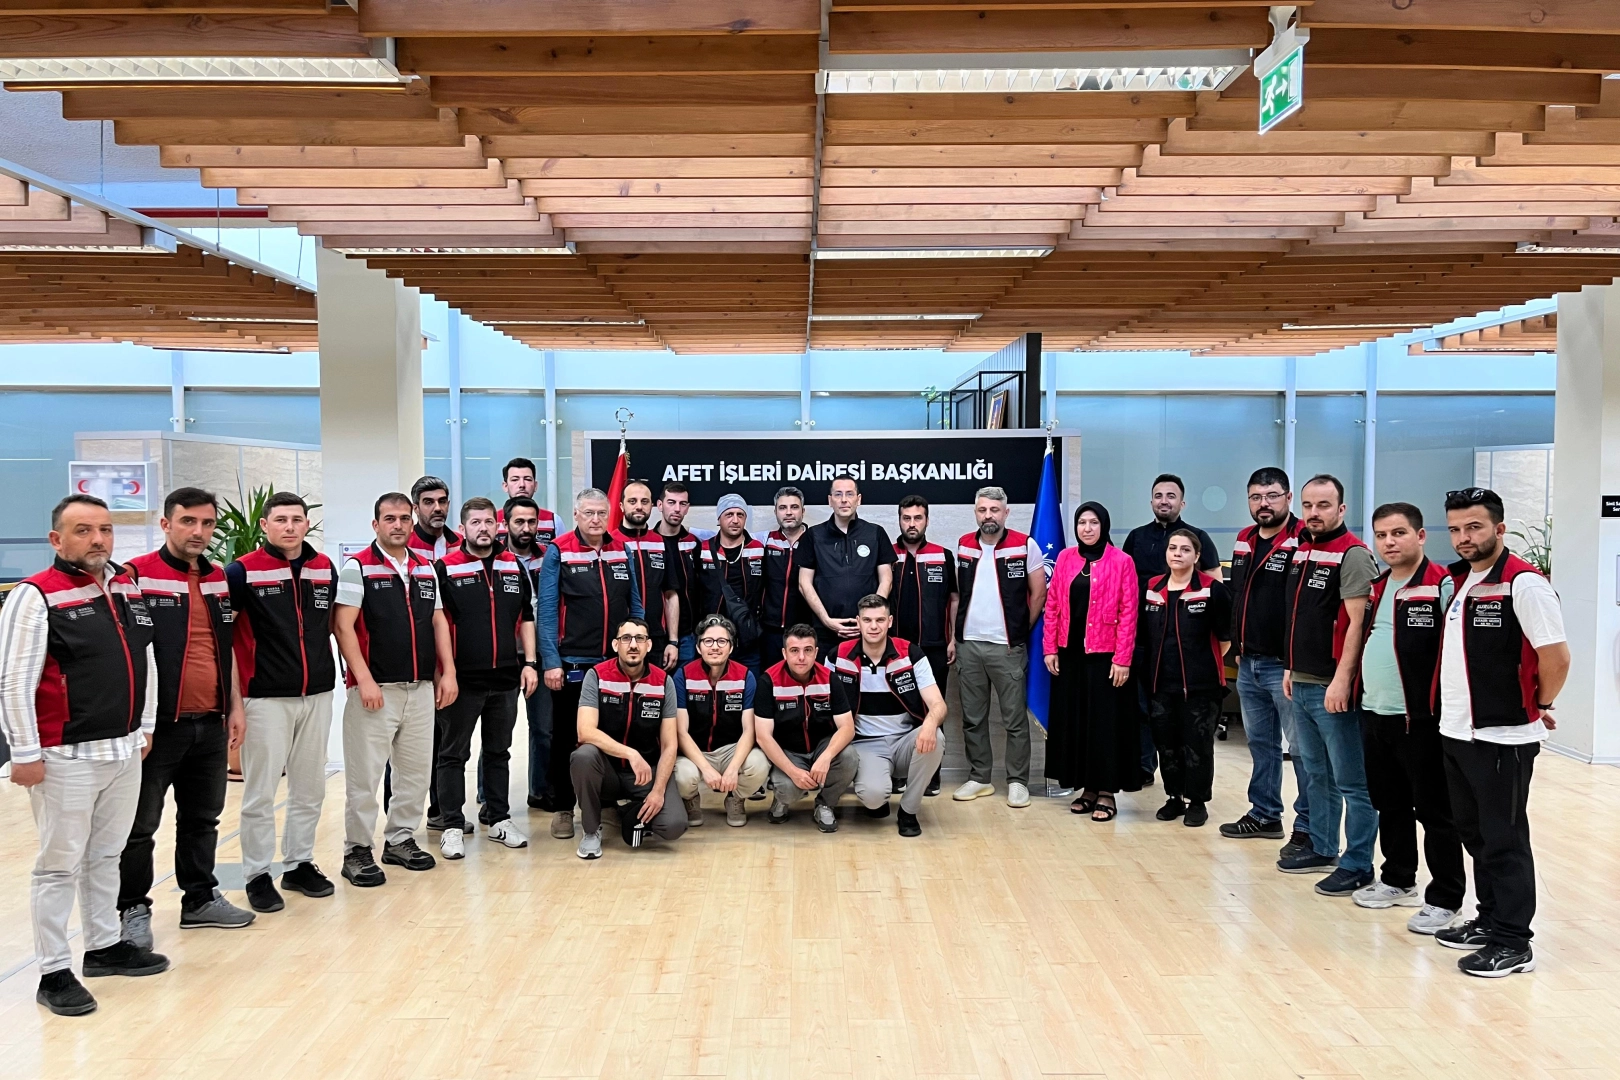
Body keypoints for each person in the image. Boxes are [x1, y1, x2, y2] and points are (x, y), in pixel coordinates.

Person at [1, 495, 167, 1017]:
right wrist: (24, 752)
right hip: (64, 756)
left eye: (105, 529)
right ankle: (53, 971)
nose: (98, 539)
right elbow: (13, 681)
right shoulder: (34, 595)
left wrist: (145, 726)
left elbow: (145, 660)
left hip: (123, 749)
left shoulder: (126, 586)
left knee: (106, 855)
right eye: (83, 530)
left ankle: (104, 947)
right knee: (58, 866)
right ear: (57, 539)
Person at [1432, 487, 1568, 977]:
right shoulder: (1462, 580)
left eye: (1474, 527)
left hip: (1503, 736)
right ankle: (1489, 919)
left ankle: (1513, 942)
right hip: (1457, 730)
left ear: (1500, 528)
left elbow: (1556, 657)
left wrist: (1539, 703)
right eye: (1456, 529)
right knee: (1475, 834)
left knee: (1504, 838)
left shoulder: (1524, 584)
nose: (1464, 538)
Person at [118, 487, 254, 950]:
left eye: (207, 523)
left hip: (211, 722)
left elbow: (225, 649)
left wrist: (235, 706)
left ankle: (199, 899)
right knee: (140, 827)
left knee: (202, 819)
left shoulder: (217, 578)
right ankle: (132, 909)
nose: (199, 531)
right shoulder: (136, 576)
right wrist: (138, 723)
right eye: (188, 521)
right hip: (157, 729)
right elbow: (127, 655)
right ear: (166, 524)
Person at [332, 493, 458, 887]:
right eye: (390, 518)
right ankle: (356, 849)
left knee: (415, 775)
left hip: (420, 688)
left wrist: (448, 672)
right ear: (376, 525)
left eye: (405, 518)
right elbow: (342, 627)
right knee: (365, 778)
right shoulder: (357, 568)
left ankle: (400, 839)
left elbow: (438, 621)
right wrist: (364, 679)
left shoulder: (425, 567)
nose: (399, 525)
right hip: (376, 690)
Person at [1353, 502, 1464, 935]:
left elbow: (1457, 650)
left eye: (1398, 533)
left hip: (1420, 719)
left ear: (1420, 536)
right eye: (1381, 535)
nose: (1389, 542)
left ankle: (1446, 898)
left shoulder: (1442, 585)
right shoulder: (1378, 586)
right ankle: (1398, 879)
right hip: (1375, 712)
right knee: (1389, 802)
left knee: (1435, 812)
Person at [226, 492, 337, 914]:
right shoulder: (241, 572)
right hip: (264, 698)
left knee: (309, 788)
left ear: (307, 523)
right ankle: (257, 874)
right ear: (265, 525)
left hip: (317, 694)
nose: (289, 527)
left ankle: (298, 864)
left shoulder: (324, 568)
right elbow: (225, 641)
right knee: (260, 792)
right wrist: (235, 704)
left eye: (296, 519)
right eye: (280, 520)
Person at [1280, 474, 1379, 898]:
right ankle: (1322, 847)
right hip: (1301, 681)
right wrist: (1290, 667)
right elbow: (1299, 616)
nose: (1314, 513)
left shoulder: (1353, 554)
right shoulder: (1303, 548)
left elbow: (1359, 624)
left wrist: (1343, 680)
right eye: (1308, 505)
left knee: (1351, 780)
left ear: (1341, 509)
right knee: (1316, 772)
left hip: (1333, 688)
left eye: (1323, 505)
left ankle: (1358, 864)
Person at [429, 497, 537, 858]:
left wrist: (530, 663)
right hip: (461, 680)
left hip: (505, 678)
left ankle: (499, 819)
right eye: (475, 523)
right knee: (452, 754)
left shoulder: (512, 565)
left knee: (498, 752)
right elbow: (436, 622)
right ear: (463, 529)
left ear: (498, 525)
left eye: (489, 522)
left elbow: (526, 617)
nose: (483, 528)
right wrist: (446, 673)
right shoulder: (445, 568)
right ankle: (451, 825)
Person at [539, 487, 643, 840]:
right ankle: (563, 808)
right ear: (577, 514)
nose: (596, 520)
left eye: (601, 513)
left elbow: (635, 605)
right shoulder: (559, 550)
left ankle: (605, 803)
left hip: (614, 663)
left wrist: (637, 644)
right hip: (573, 662)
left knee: (611, 735)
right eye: (589, 513)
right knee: (566, 738)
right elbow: (547, 611)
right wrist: (551, 661)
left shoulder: (621, 549)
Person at [1219, 467, 1313, 854]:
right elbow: (1238, 595)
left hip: (1285, 665)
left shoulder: (1303, 539)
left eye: (1272, 496)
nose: (1264, 504)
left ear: (1288, 498)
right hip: (1249, 661)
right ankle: (1265, 814)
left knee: (1302, 750)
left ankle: (1309, 826)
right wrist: (1236, 645)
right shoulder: (1244, 539)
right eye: (1256, 497)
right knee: (1261, 744)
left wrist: (1294, 658)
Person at [1042, 503, 1142, 822]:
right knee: (1078, 723)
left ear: (1104, 526)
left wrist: (1123, 658)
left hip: (1107, 657)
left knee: (1104, 726)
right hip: (1070, 655)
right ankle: (1087, 788)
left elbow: (1129, 612)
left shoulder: (1122, 561)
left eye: (1094, 522)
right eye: (1082, 522)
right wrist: (1049, 648)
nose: (1087, 528)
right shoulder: (1065, 558)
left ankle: (1107, 791)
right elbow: (1053, 605)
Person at [1121, 474, 1222, 787]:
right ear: (1151, 501)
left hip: (1186, 644)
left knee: (1188, 722)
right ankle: (1144, 766)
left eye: (1171, 496)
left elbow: (1215, 587)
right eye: (1158, 495)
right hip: (1142, 637)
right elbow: (1125, 584)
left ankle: (1192, 788)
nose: (1164, 501)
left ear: (1182, 502)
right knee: (1144, 708)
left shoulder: (1198, 537)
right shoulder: (1136, 537)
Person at [953, 486, 1045, 808]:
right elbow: (959, 595)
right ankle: (980, 778)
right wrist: (955, 638)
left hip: (1007, 649)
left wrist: (1018, 630)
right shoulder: (964, 544)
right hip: (969, 646)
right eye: (982, 510)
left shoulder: (1025, 545)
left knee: (1014, 720)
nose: (988, 516)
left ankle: (1018, 782)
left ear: (1006, 513)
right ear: (975, 513)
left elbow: (1039, 594)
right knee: (973, 719)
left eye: (994, 510)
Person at [569, 616, 688, 859]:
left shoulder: (663, 682)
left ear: (649, 645)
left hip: (645, 774)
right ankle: (591, 830)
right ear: (616, 645)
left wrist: (658, 791)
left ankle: (627, 811)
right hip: (607, 771)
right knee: (583, 756)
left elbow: (669, 745)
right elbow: (585, 731)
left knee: (673, 825)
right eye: (626, 638)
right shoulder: (597, 675)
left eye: (639, 639)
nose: (633, 645)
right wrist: (629, 753)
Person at [832, 594, 947, 837]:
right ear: (858, 622)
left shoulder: (911, 653)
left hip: (905, 740)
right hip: (865, 743)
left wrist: (929, 724)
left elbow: (938, 704)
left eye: (880, 620)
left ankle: (908, 810)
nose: (873, 626)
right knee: (873, 797)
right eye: (867, 620)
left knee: (936, 736)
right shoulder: (838, 656)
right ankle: (879, 794)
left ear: (890, 621)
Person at [1137, 529, 1231, 828]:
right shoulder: (1152, 588)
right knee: (1166, 744)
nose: (1177, 553)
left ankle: (1197, 801)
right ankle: (1174, 797)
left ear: (1197, 556)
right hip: (1160, 684)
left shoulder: (1211, 590)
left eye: (1185, 549)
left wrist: (1201, 663)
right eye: (1173, 548)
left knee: (1197, 745)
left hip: (1200, 686)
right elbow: (1143, 635)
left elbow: (1225, 639)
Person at [753, 623, 858, 831]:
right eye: (794, 650)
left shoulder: (829, 678)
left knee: (849, 757)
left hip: (821, 747)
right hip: (788, 750)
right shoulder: (768, 681)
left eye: (807, 650)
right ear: (784, 653)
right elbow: (763, 736)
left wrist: (826, 757)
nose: (801, 657)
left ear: (816, 653)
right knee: (788, 789)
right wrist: (793, 772)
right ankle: (781, 800)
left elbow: (847, 727)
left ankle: (825, 803)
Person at [672, 614, 770, 827]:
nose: (715, 647)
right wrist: (706, 769)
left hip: (730, 750)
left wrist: (733, 768)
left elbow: (749, 730)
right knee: (682, 776)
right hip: (694, 750)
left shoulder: (745, 676)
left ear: (731, 647)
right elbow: (680, 732)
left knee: (759, 764)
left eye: (722, 641)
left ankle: (735, 798)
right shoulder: (683, 676)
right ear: (698, 647)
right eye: (708, 641)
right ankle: (690, 799)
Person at [892, 494, 957, 797]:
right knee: (898, 711)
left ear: (927, 520)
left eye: (917, 518)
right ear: (899, 520)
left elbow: (954, 599)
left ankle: (931, 776)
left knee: (933, 710)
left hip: (934, 647)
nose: (912, 524)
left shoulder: (943, 555)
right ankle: (897, 773)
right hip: (895, 650)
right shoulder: (887, 554)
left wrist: (953, 637)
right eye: (906, 518)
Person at [799, 477, 895, 657]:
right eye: (838, 494)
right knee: (827, 675)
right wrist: (826, 620)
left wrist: (870, 620)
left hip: (868, 634)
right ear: (830, 500)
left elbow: (886, 580)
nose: (844, 500)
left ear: (859, 499)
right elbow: (804, 583)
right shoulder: (813, 535)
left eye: (849, 494)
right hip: (825, 632)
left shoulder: (875, 533)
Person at [502, 495, 553, 809]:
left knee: (544, 728)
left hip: (542, 654)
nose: (526, 528)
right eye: (519, 521)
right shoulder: (496, 559)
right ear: (506, 523)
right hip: (505, 655)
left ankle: (540, 791)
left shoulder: (548, 556)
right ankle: (488, 796)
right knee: (499, 731)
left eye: (532, 522)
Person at [695, 493, 766, 679]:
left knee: (749, 688)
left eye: (740, 515)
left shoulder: (758, 549)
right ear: (719, 518)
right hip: (712, 639)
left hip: (748, 640)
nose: (735, 520)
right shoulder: (703, 549)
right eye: (729, 514)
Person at [614, 480, 680, 671]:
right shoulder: (610, 543)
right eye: (632, 501)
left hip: (656, 639)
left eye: (644, 502)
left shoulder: (660, 542)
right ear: (621, 506)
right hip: (621, 640)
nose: (639, 506)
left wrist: (673, 641)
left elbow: (670, 594)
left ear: (652, 505)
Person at [760, 486, 812, 663]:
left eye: (794, 507)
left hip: (805, 631)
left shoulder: (815, 541)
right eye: (782, 508)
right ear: (775, 512)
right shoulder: (764, 540)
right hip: (770, 630)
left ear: (803, 511)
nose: (788, 512)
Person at [655, 482, 700, 663]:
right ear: (660, 505)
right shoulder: (649, 543)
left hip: (688, 635)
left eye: (682, 504)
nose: (677, 509)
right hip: (654, 635)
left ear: (687, 508)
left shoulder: (694, 543)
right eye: (671, 502)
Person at [496, 457, 558, 546]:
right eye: (515, 480)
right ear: (505, 486)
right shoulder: (492, 520)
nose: (522, 485)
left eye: (527, 479)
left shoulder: (553, 520)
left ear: (535, 485)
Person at [406, 475, 461, 561]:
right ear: (416, 508)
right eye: (429, 502)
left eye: (442, 501)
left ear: (448, 505)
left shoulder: (462, 544)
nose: (437, 508)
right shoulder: (405, 544)